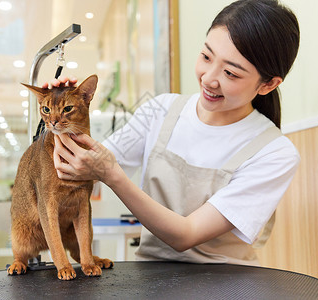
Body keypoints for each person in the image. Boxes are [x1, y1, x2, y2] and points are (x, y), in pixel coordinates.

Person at [45, 0, 300, 265]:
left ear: (268, 84)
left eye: (230, 73)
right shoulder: (161, 110)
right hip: (151, 279)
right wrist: (64, 111)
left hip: (228, 284)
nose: (208, 78)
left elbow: (186, 235)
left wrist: (112, 175)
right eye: (206, 57)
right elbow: (76, 166)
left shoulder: (274, 152)